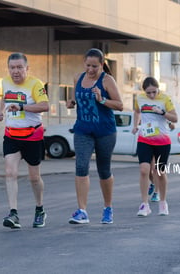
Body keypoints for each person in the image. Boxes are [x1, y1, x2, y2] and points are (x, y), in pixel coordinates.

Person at [66, 48, 123, 224]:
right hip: (83, 129)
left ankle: (108, 208)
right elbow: (76, 99)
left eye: (95, 66)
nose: (91, 69)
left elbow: (120, 105)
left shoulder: (107, 80)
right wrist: (72, 102)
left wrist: (102, 100)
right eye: (88, 65)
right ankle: (82, 211)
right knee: (81, 166)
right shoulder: (78, 78)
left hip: (105, 131)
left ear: (102, 65)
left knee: (103, 170)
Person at [0, 52, 50, 229]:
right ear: (8, 68)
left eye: (19, 67)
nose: (16, 71)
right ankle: (13, 213)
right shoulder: (4, 81)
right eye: (12, 67)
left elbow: (45, 105)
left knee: (34, 178)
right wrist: (0, 112)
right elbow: (3, 97)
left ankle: (40, 209)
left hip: (32, 135)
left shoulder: (35, 84)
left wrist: (22, 106)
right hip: (11, 135)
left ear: (27, 68)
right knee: (10, 173)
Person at [132, 77, 178, 217]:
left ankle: (163, 202)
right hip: (144, 138)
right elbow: (137, 111)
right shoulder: (139, 99)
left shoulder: (165, 99)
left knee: (160, 172)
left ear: (158, 89)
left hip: (162, 141)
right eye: (148, 93)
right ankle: (144, 204)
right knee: (144, 170)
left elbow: (175, 118)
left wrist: (163, 113)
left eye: (154, 92)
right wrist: (135, 125)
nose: (151, 95)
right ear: (144, 91)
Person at [148, 121, 174, 202]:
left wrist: (169, 123)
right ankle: (153, 182)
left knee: (157, 170)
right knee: (148, 169)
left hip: (161, 142)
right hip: (148, 140)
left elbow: (173, 126)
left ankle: (156, 192)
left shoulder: (162, 112)